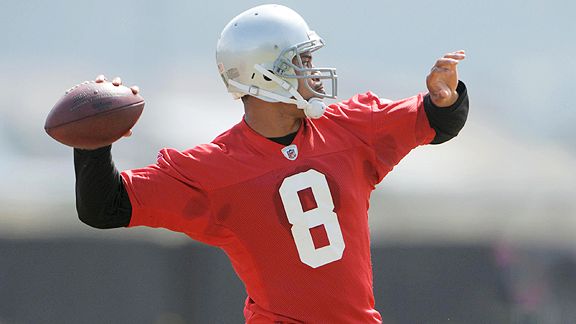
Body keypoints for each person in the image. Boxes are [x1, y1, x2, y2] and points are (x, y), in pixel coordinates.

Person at [74, 4, 469, 323]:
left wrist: (444, 99)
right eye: (302, 60)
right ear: (266, 74)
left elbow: (436, 122)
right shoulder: (214, 169)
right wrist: (93, 141)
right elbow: (105, 207)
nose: (313, 72)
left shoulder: (350, 128)